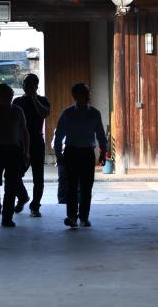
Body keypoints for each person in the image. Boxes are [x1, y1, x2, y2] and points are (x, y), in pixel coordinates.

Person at [53, 82, 107, 228]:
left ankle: (83, 217)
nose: (88, 95)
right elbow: (59, 135)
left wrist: (103, 152)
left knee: (86, 187)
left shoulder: (94, 113)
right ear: (76, 95)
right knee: (71, 187)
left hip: (87, 152)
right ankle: (72, 217)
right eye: (84, 93)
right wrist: (58, 154)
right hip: (71, 152)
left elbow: (101, 135)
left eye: (88, 93)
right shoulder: (67, 113)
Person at [0, 83, 30, 227]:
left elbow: (25, 133)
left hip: (14, 150)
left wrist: (26, 152)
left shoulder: (17, 111)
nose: (10, 96)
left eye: (11, 94)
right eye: (8, 94)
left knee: (11, 185)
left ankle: (7, 217)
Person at [11, 73, 50, 216]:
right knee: (14, 174)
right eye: (25, 84)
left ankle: (35, 206)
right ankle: (22, 197)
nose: (27, 87)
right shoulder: (17, 101)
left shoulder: (43, 100)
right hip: (20, 142)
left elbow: (44, 114)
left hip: (37, 140)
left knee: (38, 177)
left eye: (30, 85)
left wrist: (34, 100)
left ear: (36, 86)